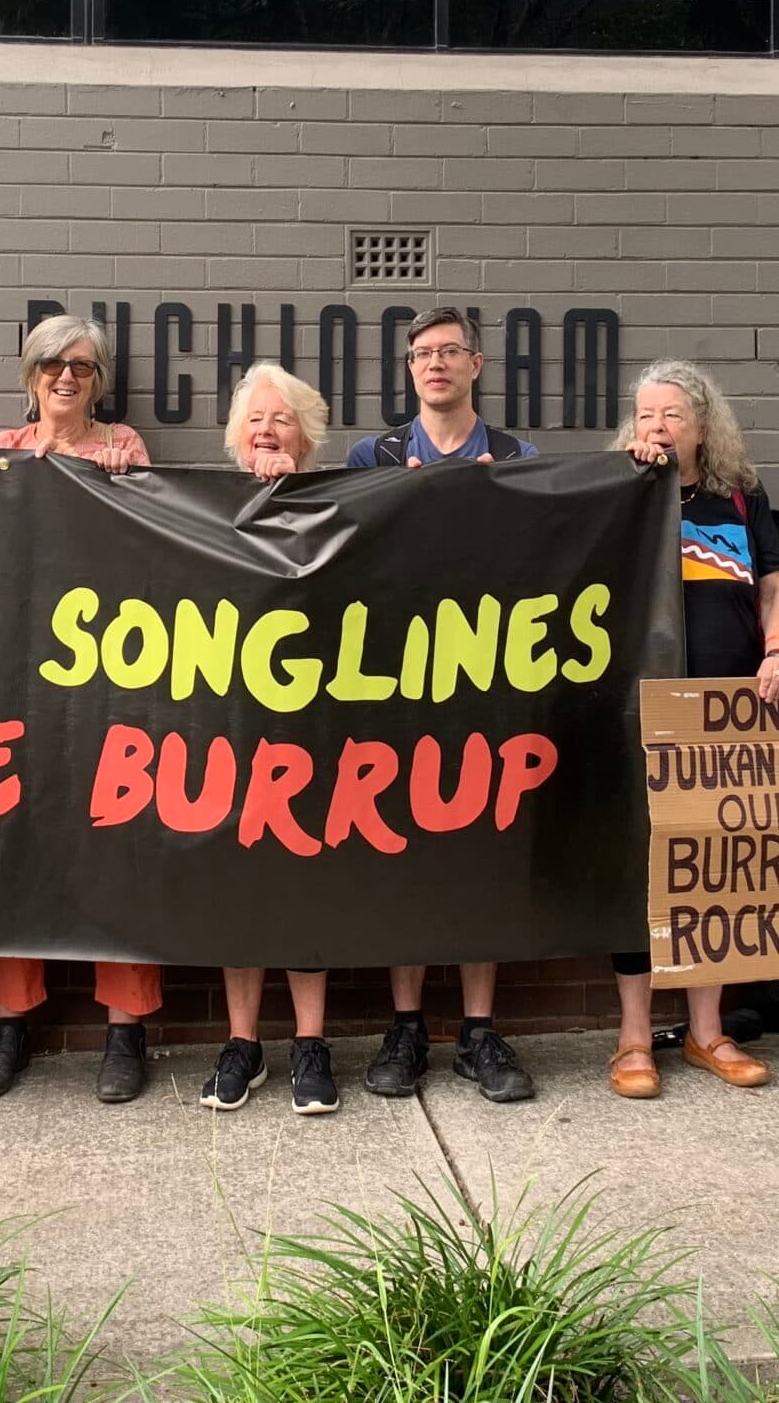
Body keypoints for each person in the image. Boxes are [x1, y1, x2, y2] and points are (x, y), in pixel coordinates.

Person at [0, 314, 159, 1103]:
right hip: (13, 685)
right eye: (52, 364)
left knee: (115, 847)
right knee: (9, 847)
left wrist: (123, 480)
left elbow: (156, 546)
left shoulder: (125, 448)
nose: (66, 377)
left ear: (99, 380)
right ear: (30, 375)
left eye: (82, 367)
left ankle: (125, 1030)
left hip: (108, 681)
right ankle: (10, 1027)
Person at [343, 307, 539, 1104]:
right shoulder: (375, 454)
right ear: (409, 368)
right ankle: (407, 1025)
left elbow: (546, 558)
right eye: (422, 354)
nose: (435, 364)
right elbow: (346, 559)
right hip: (398, 684)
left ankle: (481, 1032)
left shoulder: (519, 457)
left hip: (489, 682)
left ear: (477, 364)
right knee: (405, 851)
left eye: (449, 351)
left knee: (482, 851)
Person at [610, 360, 779, 1100]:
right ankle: (630, 1039)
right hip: (641, 712)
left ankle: (706, 1030)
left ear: (702, 425)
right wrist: (630, 482)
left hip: (725, 713)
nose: (657, 427)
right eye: (646, 415)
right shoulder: (619, 494)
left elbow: (778, 583)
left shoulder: (740, 498)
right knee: (642, 870)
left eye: (672, 416)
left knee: (713, 868)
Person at [200, 363, 339, 1116]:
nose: (266, 430)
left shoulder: (344, 503)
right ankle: (243, 1041)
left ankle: (311, 1044)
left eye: (281, 418)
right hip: (232, 730)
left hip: (319, 731)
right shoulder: (203, 508)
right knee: (239, 884)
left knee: (307, 881)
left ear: (307, 434)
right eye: (254, 419)